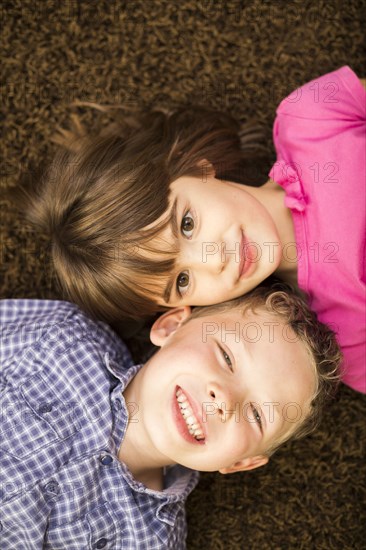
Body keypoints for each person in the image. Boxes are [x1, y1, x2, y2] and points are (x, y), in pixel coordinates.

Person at [11, 66, 365, 392]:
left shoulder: (309, 118)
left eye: (187, 224)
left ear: (197, 167)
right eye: (182, 281)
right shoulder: (343, 339)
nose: (213, 260)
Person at [0, 283, 340, 549]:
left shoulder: (151, 540)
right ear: (171, 326)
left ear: (241, 462)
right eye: (226, 357)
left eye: (256, 415)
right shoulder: (64, 339)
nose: (224, 399)